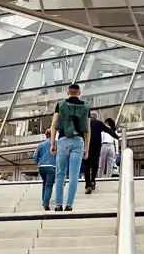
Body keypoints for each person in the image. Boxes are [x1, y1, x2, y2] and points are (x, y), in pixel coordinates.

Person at [50, 83, 90, 212]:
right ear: (79, 93)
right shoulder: (85, 106)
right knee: (73, 174)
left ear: (67, 92)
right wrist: (87, 148)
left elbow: (53, 124)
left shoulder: (60, 105)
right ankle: (69, 205)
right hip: (78, 141)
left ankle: (58, 204)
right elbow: (87, 129)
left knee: (60, 174)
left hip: (62, 140)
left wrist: (52, 143)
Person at [85, 113, 118, 194]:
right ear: (96, 117)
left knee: (87, 165)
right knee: (95, 164)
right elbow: (109, 130)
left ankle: (88, 185)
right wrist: (117, 136)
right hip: (96, 146)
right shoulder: (99, 123)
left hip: (86, 145)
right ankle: (93, 181)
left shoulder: (85, 122)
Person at [33, 129, 56, 211]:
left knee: (44, 183)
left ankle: (44, 200)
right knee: (49, 185)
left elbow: (35, 156)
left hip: (42, 167)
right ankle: (46, 203)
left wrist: (38, 162)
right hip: (52, 166)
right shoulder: (56, 143)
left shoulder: (41, 144)